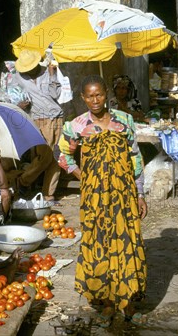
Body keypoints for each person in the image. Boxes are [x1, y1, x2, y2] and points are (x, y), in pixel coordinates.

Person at [57, 75, 147, 327]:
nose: (95, 100)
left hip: (124, 193)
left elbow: (135, 158)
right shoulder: (75, 126)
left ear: (106, 94)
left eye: (99, 95)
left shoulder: (124, 120)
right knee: (99, 243)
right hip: (93, 197)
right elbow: (62, 155)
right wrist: (81, 175)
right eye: (89, 96)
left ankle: (127, 301)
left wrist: (140, 194)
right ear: (83, 98)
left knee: (127, 242)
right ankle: (106, 302)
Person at [11, 49, 64, 203]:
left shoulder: (48, 72)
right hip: (37, 119)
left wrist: (53, 75)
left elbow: (56, 94)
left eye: (32, 68)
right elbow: (13, 95)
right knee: (43, 156)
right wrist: (19, 104)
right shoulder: (18, 77)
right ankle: (24, 180)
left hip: (56, 116)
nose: (31, 71)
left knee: (56, 157)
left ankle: (48, 194)